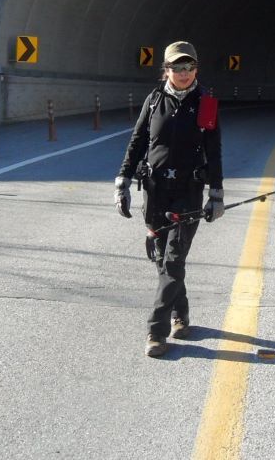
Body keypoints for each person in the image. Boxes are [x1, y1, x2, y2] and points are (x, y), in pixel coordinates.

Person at [114, 41, 224, 358]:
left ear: (196, 70)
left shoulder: (206, 104)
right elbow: (137, 142)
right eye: (177, 67)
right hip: (155, 191)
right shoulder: (153, 101)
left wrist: (216, 193)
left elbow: (214, 150)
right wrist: (123, 180)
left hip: (188, 192)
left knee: (174, 260)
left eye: (189, 67)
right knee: (162, 259)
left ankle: (156, 330)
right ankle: (181, 313)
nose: (184, 73)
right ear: (167, 70)